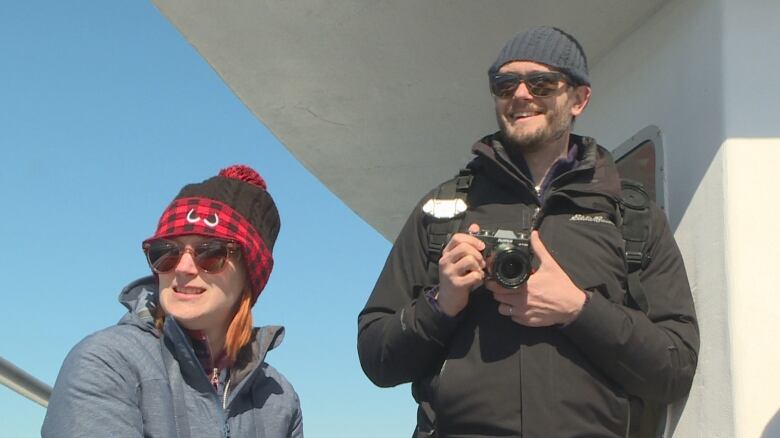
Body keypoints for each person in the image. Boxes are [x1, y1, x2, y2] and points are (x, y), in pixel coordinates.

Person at [357, 26, 699, 437]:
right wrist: (440, 303)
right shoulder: (443, 210)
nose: (521, 95)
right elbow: (377, 358)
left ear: (579, 98)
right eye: (505, 84)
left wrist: (578, 309)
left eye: (541, 82)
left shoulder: (631, 215)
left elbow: (674, 367)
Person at [43, 165, 303, 437]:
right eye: (165, 252)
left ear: (249, 275)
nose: (183, 267)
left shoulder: (279, 399)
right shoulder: (107, 362)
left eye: (211, 252)